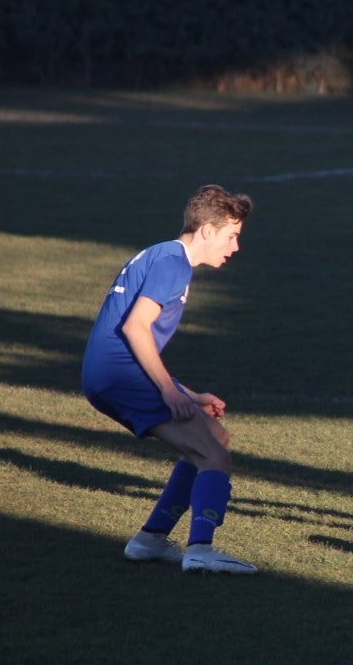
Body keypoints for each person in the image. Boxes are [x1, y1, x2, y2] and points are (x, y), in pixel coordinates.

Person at [82, 184, 258, 573]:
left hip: (113, 373)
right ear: (207, 230)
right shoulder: (173, 263)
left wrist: (189, 394)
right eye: (232, 236)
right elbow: (136, 327)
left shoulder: (164, 255)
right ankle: (201, 550)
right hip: (120, 375)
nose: (235, 247)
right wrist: (167, 389)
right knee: (213, 455)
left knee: (215, 436)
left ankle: (151, 540)